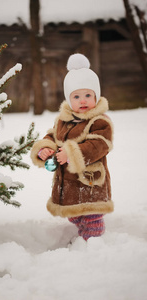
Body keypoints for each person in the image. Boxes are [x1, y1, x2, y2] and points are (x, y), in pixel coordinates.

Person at [31, 53, 114, 241]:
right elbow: (53, 135)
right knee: (74, 214)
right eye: (76, 96)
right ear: (69, 99)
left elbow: (99, 145)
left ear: (96, 95)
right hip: (68, 183)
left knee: (91, 217)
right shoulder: (63, 120)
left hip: (90, 182)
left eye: (88, 95)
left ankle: (92, 245)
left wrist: (71, 153)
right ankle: (81, 232)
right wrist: (46, 148)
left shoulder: (99, 121)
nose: (82, 100)